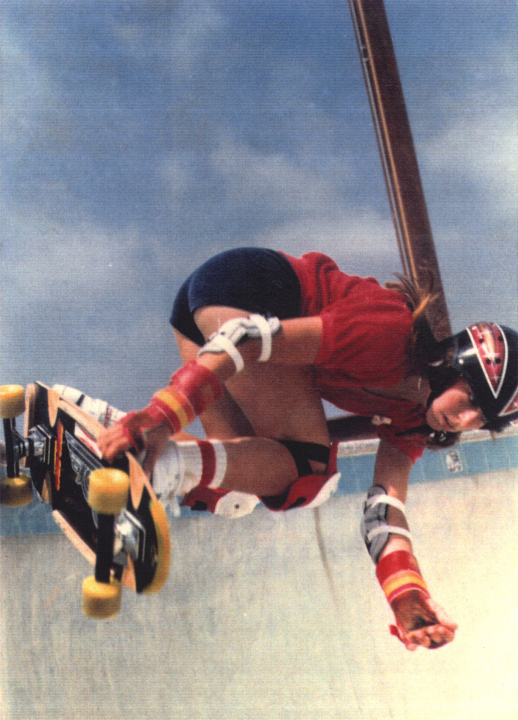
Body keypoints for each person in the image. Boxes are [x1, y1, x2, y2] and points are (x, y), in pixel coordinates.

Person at [77, 247, 517, 651]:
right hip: (243, 290)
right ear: (456, 364)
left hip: (208, 307)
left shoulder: (410, 423)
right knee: (308, 473)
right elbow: (247, 339)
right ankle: (158, 462)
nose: (465, 422)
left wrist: (407, 596)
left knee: (239, 486)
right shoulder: (389, 335)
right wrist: (161, 415)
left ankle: (100, 426)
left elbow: (384, 508)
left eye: (484, 420)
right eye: (473, 399)